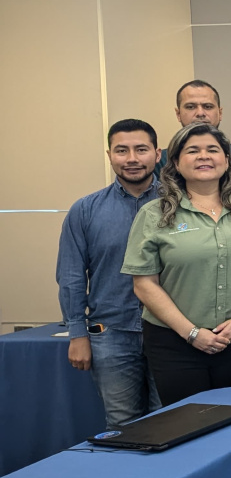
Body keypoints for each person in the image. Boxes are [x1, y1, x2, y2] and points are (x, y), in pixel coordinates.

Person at [122, 123, 231, 406]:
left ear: (227, 160)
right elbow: (144, 284)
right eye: (193, 150)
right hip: (175, 343)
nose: (204, 156)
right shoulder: (154, 214)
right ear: (176, 163)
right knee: (189, 422)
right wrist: (192, 333)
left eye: (212, 150)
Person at [57, 119, 162, 429]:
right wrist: (77, 333)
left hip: (170, 331)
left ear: (157, 154)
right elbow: (71, 275)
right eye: (121, 150)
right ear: (109, 155)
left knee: (170, 421)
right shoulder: (85, 210)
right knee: (122, 425)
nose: (132, 158)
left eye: (141, 149)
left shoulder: (180, 204)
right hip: (112, 334)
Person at [163, 80, 231, 172]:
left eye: (208, 107)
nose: (200, 113)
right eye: (190, 107)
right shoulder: (161, 160)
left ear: (220, 113)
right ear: (178, 114)